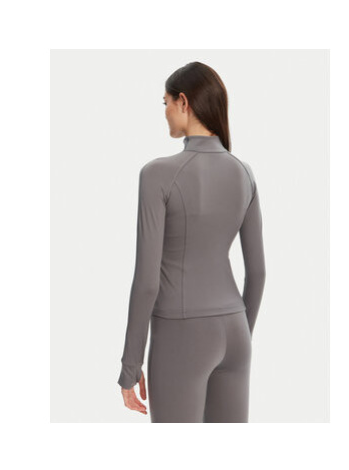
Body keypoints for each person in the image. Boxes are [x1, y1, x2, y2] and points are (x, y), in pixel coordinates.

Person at [118, 61, 266, 422]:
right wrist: (241, 335)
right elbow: (258, 273)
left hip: (182, 333)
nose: (165, 112)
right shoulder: (244, 172)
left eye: (165, 102)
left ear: (183, 102)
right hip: (236, 332)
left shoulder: (157, 174)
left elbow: (147, 282)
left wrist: (130, 365)